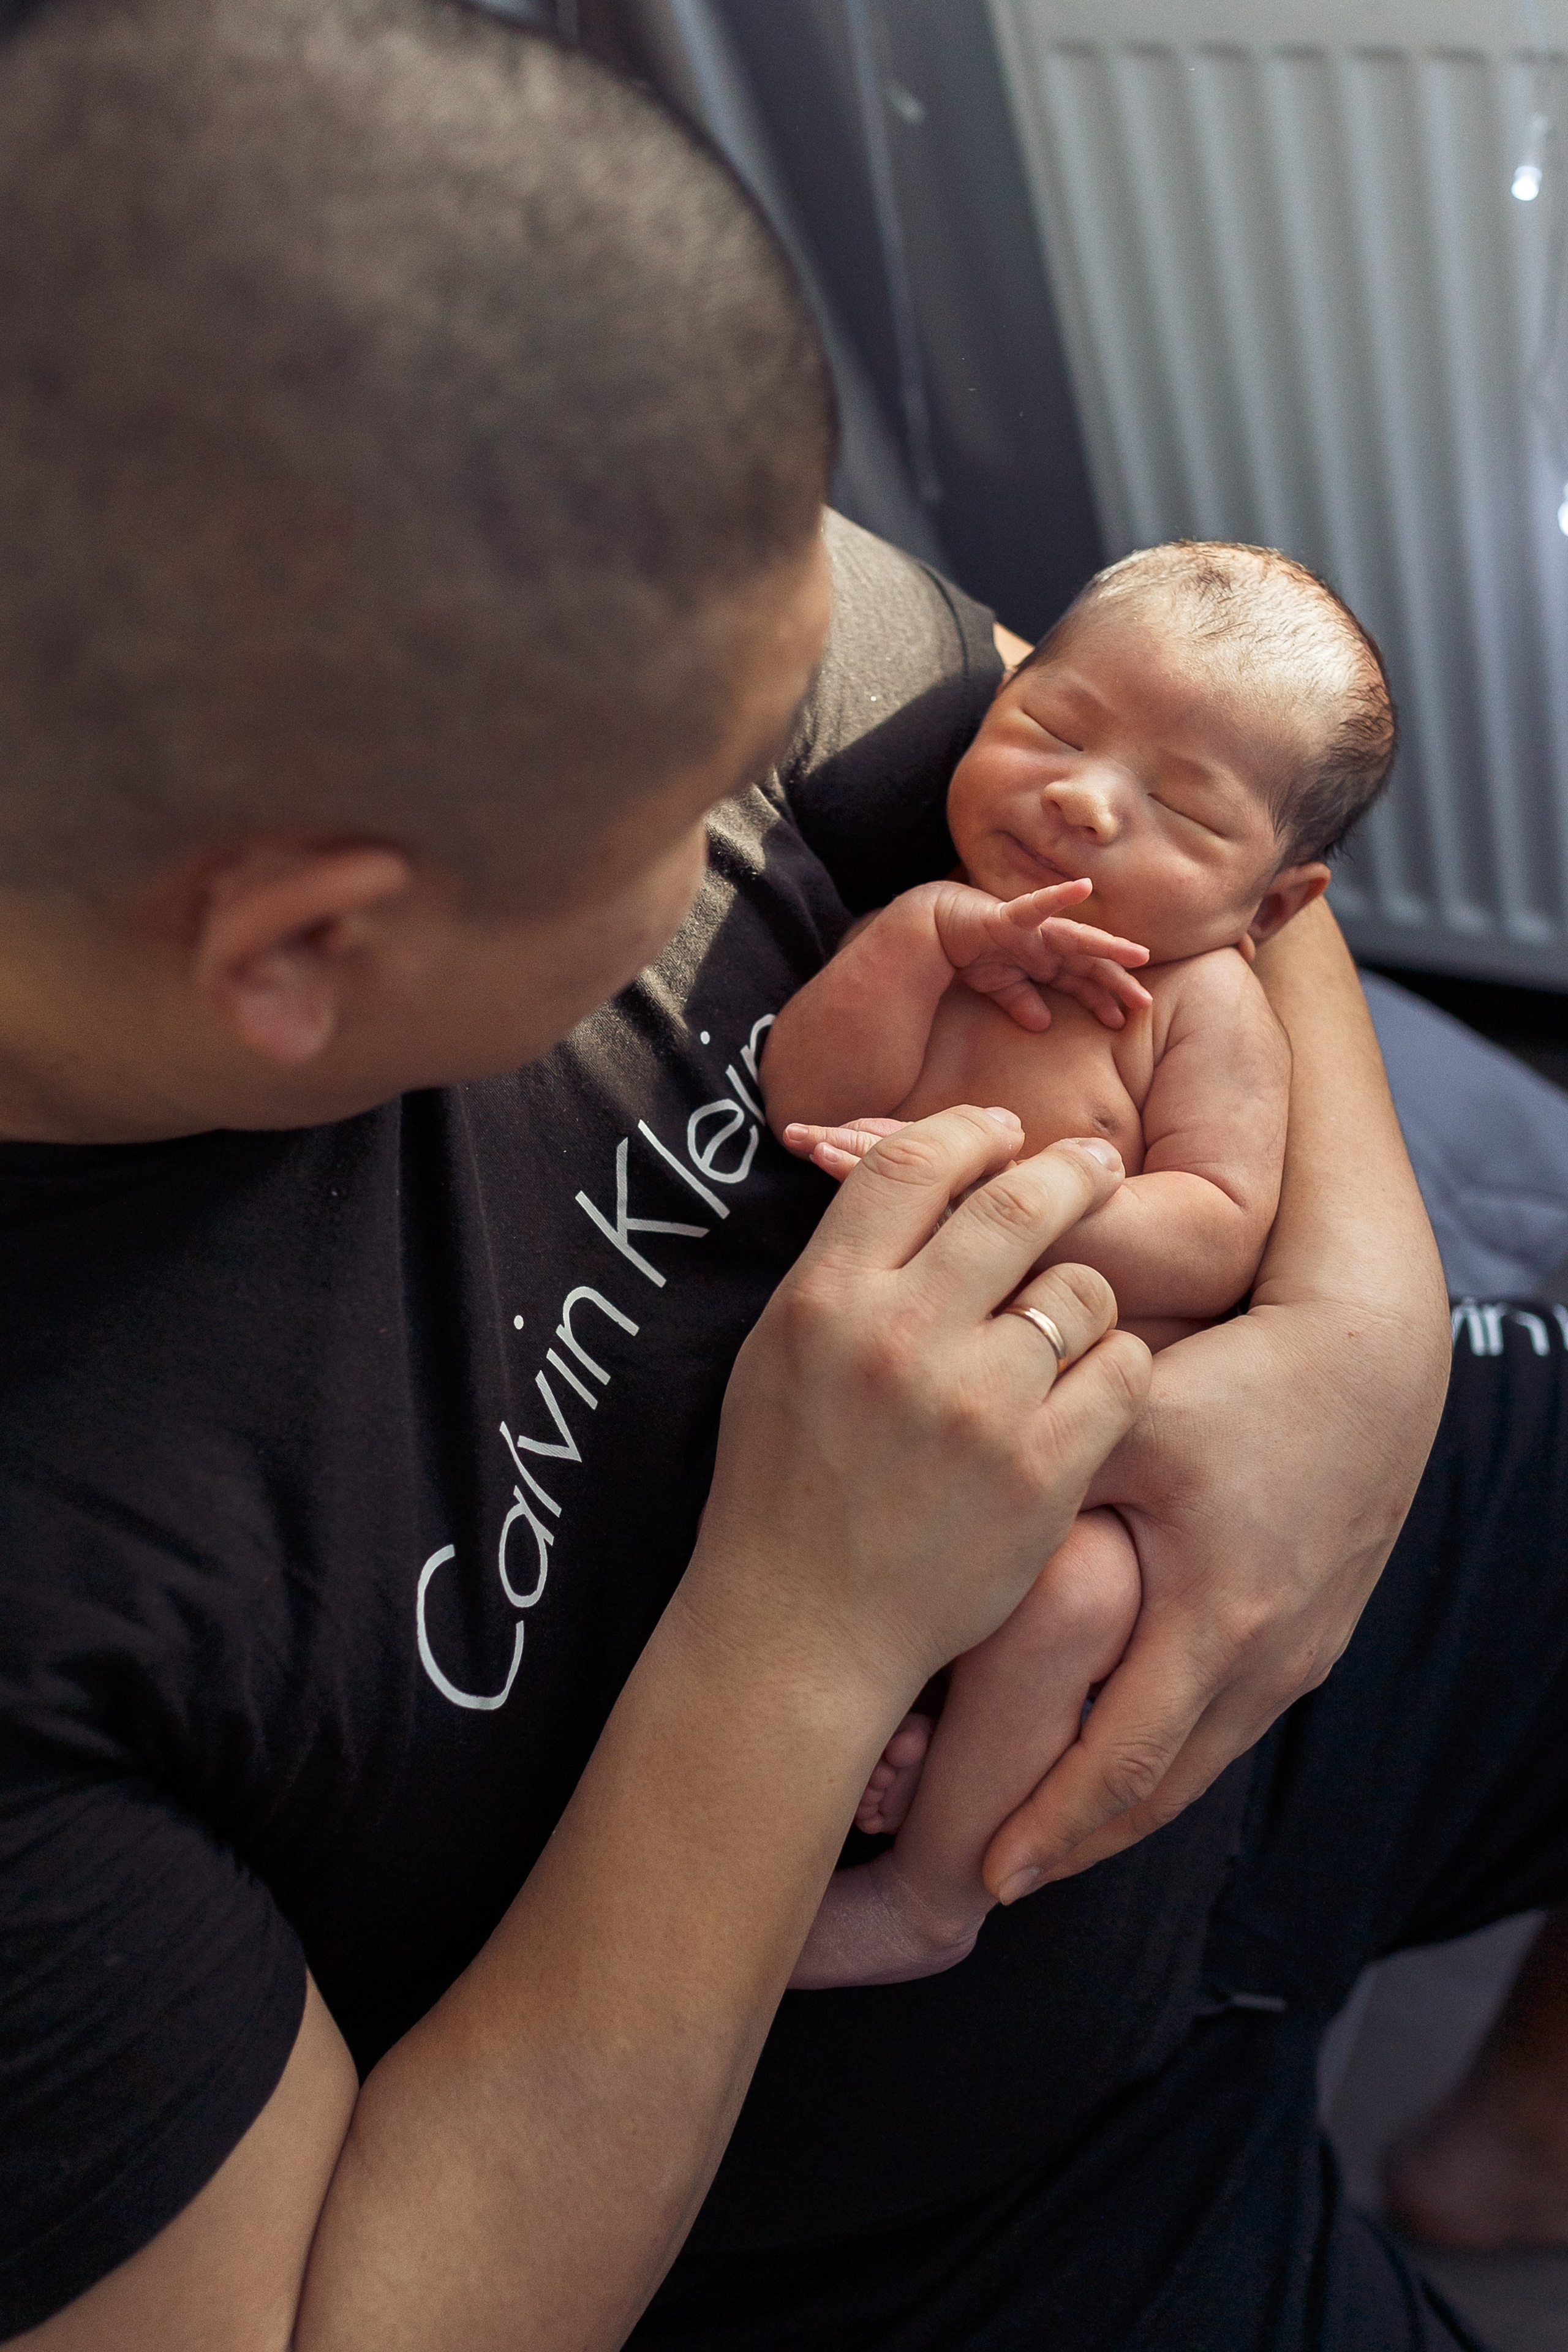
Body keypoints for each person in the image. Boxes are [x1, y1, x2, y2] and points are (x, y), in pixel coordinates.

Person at [13, 5, 1551, 2350]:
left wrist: (1357, 1352)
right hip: (947, 2196)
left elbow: (1142, 768)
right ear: (307, 950)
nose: (824, 770)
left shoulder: (548, 548)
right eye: (684, 817)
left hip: (1275, 1532)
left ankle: (1513, 2117)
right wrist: (799, 1628)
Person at [764, 540, 1396, 1991]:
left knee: (1079, 1602)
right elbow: (801, 1096)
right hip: (871, 1415)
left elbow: (1213, 1225)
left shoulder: (1201, 1003)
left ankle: (929, 1897)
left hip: (1085, 1441)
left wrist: (1004, 1202)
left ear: (1273, 905)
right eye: (1048, 726)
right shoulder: (933, 916)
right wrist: (916, 949)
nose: (1079, 797)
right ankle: (897, 1729)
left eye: (1177, 807)